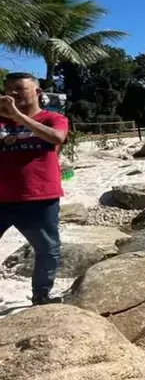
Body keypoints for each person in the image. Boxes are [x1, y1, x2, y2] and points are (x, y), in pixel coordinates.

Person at [0, 72, 69, 305]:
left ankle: (41, 295)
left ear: (37, 92)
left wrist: (18, 116)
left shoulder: (53, 118)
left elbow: (56, 137)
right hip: (1, 197)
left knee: (47, 249)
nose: (13, 94)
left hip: (39, 197)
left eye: (19, 88)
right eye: (9, 89)